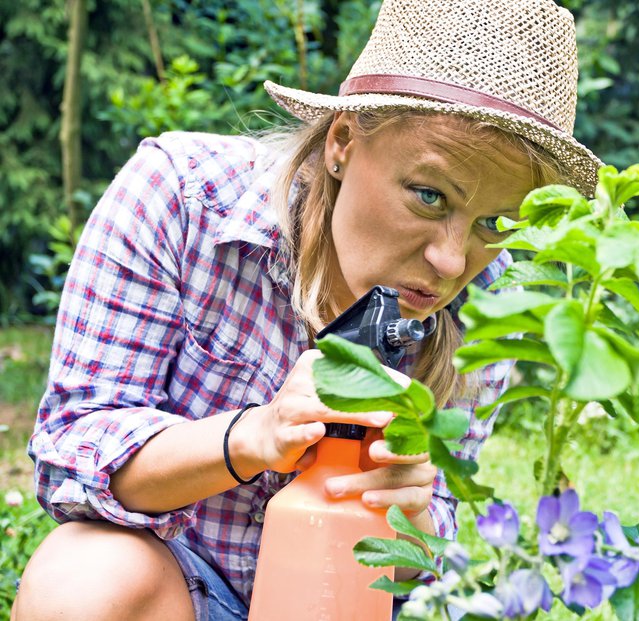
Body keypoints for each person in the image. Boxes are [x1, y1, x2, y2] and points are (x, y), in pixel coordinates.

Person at [13, 0, 601, 619]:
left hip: (337, 597)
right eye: (429, 196)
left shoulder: (493, 302)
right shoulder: (183, 199)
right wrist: (253, 436)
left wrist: (411, 512)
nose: (454, 261)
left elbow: (419, 567)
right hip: (177, 588)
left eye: (492, 222)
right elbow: (70, 457)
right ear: (342, 142)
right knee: (84, 579)